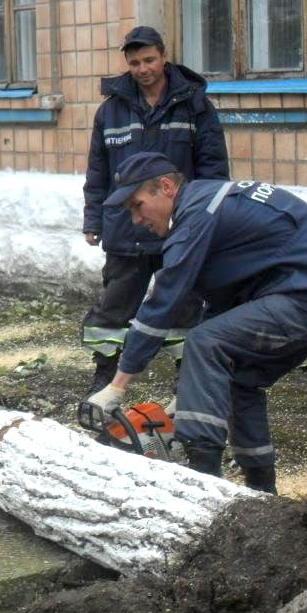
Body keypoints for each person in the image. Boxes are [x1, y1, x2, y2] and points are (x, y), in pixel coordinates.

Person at [79, 152, 307, 494]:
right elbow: (219, 310)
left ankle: (203, 482)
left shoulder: (197, 216)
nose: (137, 219)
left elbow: (162, 303)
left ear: (166, 187)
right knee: (240, 380)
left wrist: (118, 385)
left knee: (204, 341)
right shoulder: (210, 205)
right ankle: (261, 494)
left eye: (138, 205)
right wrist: (189, 393)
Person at [81, 26, 228, 403]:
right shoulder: (110, 111)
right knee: (112, 311)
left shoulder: (194, 105)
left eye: (148, 60)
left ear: (163, 56)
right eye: (134, 63)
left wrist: (208, 221)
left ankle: (187, 385)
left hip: (178, 228)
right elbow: (97, 171)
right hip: (125, 228)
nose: (142, 68)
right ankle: (105, 382)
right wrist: (93, 220)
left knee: (185, 309)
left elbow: (213, 170)